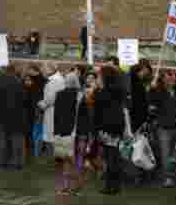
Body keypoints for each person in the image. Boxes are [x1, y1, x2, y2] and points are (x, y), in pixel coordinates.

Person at [53, 71, 90, 195]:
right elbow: (84, 117)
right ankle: (76, 187)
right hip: (78, 133)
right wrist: (85, 134)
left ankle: (64, 186)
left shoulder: (58, 94)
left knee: (64, 161)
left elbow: (56, 115)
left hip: (63, 133)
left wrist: (56, 132)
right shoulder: (81, 96)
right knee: (78, 160)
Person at [93, 64, 128, 195]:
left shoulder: (103, 92)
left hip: (107, 128)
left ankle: (111, 185)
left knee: (110, 157)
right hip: (116, 127)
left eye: (100, 76)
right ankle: (115, 184)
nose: (98, 78)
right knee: (114, 155)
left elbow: (98, 111)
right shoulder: (118, 90)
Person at [148, 69, 176, 187]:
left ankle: (175, 176)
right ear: (163, 79)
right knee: (166, 154)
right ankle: (168, 177)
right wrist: (152, 88)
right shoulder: (158, 92)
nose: (171, 79)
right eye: (168, 77)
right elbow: (151, 102)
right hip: (164, 128)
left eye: (173, 76)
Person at [0, 64, 26, 169]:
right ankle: (18, 162)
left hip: (3, 116)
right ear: (14, 71)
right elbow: (24, 99)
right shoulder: (19, 82)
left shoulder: (0, 83)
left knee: (3, 140)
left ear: (6, 71)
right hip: (17, 116)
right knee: (17, 140)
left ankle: (3, 161)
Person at [38, 63, 66, 153]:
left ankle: (53, 154)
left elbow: (51, 98)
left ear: (49, 69)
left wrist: (42, 104)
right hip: (56, 110)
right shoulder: (58, 79)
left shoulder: (54, 80)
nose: (42, 71)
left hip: (53, 111)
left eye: (43, 69)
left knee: (52, 135)